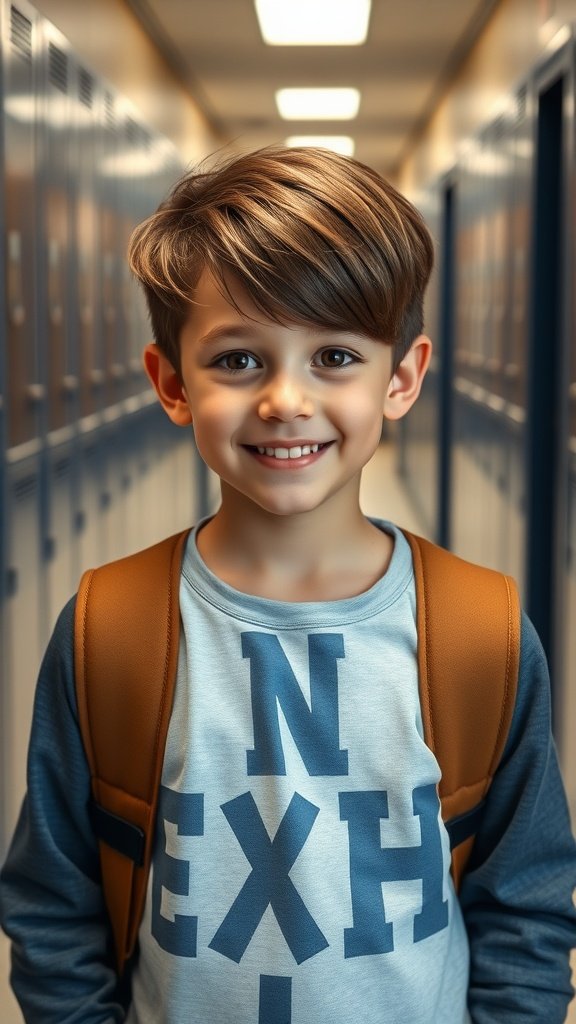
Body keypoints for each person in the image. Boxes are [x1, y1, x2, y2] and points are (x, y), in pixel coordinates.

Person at [1, 145, 575, 1024]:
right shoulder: (111, 628)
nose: (284, 401)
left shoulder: (480, 631)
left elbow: (525, 906)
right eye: (238, 361)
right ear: (171, 383)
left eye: (335, 356)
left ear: (403, 377)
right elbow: (53, 906)